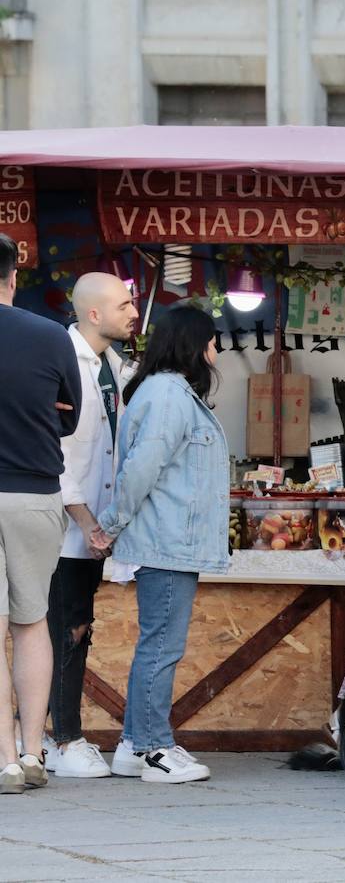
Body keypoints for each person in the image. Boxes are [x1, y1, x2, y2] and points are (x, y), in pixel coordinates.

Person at [91, 305, 227, 785]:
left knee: (159, 643)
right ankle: (153, 748)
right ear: (195, 344)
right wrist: (111, 523)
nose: (216, 352)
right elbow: (142, 468)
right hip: (166, 539)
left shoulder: (168, 392)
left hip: (171, 539)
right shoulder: (169, 395)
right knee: (161, 647)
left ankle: (133, 744)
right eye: (213, 342)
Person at [45, 272, 139, 779]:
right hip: (63, 525)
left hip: (94, 527)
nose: (133, 312)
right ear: (94, 313)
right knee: (67, 629)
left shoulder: (115, 366)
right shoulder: (61, 360)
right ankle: (65, 739)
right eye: (124, 304)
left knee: (77, 627)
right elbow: (55, 451)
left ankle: (49, 735)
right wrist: (85, 521)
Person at [0, 234, 83, 795]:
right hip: (34, 492)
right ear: (12, 277)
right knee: (31, 623)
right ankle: (33, 752)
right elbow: (70, 417)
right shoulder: (51, 336)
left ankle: (3, 759)